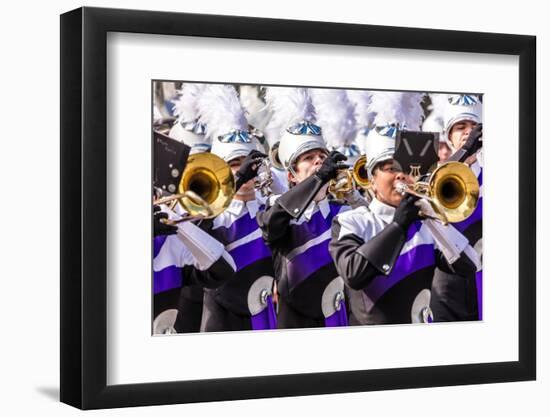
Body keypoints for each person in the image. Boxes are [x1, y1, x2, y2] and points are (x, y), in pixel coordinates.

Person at [329, 91, 481, 325]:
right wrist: (399, 225)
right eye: (391, 167)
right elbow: (354, 274)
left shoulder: (424, 225)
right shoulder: (352, 221)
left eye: (408, 168)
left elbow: (470, 264)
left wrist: (431, 216)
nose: (402, 174)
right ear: (371, 179)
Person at [257, 87, 352, 329]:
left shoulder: (346, 210)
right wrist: (319, 179)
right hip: (295, 322)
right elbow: (271, 226)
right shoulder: (278, 210)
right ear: (291, 175)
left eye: (322, 156)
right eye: (309, 158)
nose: (319, 161)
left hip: (342, 316)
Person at [191, 84, 278, 332]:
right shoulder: (212, 217)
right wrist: (235, 182)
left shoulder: (271, 207)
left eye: (249, 164)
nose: (246, 171)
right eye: (235, 165)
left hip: (268, 314)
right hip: (223, 318)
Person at [429, 94, 484, 322]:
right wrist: (463, 153)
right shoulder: (432, 176)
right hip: (447, 284)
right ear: (449, 135)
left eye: (474, 127)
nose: (468, 132)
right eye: (460, 127)